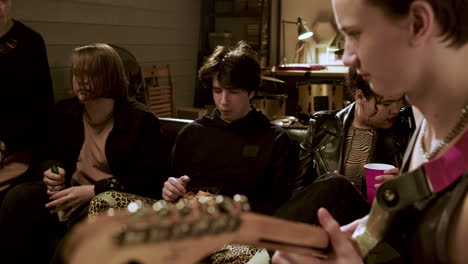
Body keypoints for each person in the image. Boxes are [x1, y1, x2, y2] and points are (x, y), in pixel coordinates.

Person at [272, 0, 468, 263]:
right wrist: (362, 241)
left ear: (418, 23)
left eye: (355, 34)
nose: (347, 57)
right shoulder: (425, 120)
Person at [0, 43, 170, 263]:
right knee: (19, 196)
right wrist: (53, 171)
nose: (80, 80)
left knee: (87, 223)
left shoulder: (140, 120)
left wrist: (94, 190)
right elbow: (48, 155)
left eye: (90, 74)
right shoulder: (65, 111)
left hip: (109, 200)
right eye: (77, 73)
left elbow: (150, 180)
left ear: (110, 77)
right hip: (70, 190)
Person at [162, 41, 292, 215]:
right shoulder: (192, 133)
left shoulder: (274, 139)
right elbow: (170, 186)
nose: (223, 101)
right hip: (190, 222)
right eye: (217, 91)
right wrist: (170, 189)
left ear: (251, 92)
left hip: (243, 228)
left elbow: (278, 205)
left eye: (233, 92)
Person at [275, 66, 413, 227]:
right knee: (334, 183)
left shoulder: (408, 126)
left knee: (336, 183)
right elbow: (299, 193)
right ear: (360, 96)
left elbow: (426, 192)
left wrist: (404, 186)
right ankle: (258, 245)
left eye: (400, 100)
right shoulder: (322, 126)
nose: (396, 109)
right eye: (387, 103)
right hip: (329, 221)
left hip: (378, 220)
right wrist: (329, 189)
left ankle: (257, 248)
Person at [0, 0, 54, 202]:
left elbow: (42, 106)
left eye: (3, 0)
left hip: (19, 148)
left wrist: (6, 142)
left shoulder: (29, 41)